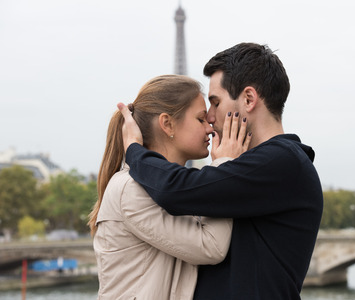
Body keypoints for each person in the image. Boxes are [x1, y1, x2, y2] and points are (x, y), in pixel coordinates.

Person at [118, 43, 323, 300]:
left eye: (215, 103)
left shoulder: (282, 162)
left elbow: (175, 190)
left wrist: (134, 150)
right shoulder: (266, 164)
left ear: (249, 99)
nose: (211, 116)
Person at [88, 74, 251, 300]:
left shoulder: (171, 186)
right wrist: (225, 166)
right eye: (200, 119)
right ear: (167, 124)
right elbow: (210, 247)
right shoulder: (131, 188)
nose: (210, 128)